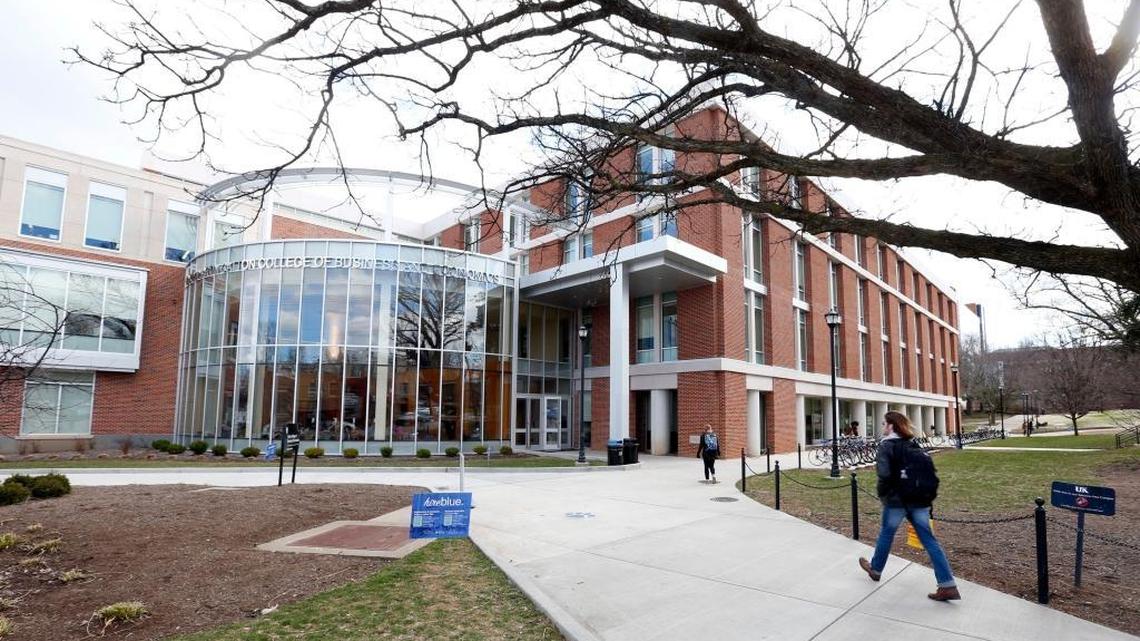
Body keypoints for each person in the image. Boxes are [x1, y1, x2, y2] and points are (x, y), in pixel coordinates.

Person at [858, 411, 960, 601]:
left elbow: (884, 475)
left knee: (887, 534)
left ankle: (876, 569)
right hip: (919, 500)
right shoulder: (913, 445)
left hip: (897, 501)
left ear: (891, 426)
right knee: (930, 541)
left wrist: (885, 496)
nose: (882, 427)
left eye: (884, 424)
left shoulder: (887, 446)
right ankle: (948, 585)